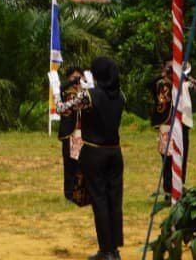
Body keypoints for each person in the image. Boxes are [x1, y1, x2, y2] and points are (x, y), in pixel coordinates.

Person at [69, 57, 126, 260]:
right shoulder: (121, 96)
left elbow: (63, 108)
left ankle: (105, 250)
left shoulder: (90, 96)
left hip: (94, 152)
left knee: (100, 201)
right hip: (115, 151)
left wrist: (59, 89)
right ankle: (115, 249)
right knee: (114, 201)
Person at [151, 58, 196, 195]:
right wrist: (163, 74)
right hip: (167, 126)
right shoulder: (161, 84)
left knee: (182, 156)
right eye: (170, 68)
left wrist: (189, 78)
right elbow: (149, 85)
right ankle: (168, 189)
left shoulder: (185, 83)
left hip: (183, 125)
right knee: (167, 158)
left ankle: (180, 186)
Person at [58, 65, 85, 203]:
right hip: (69, 133)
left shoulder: (86, 91)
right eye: (73, 77)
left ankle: (80, 193)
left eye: (79, 77)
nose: (77, 80)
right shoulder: (64, 91)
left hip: (84, 133)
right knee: (69, 165)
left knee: (82, 164)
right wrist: (72, 83)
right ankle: (69, 194)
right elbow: (59, 88)